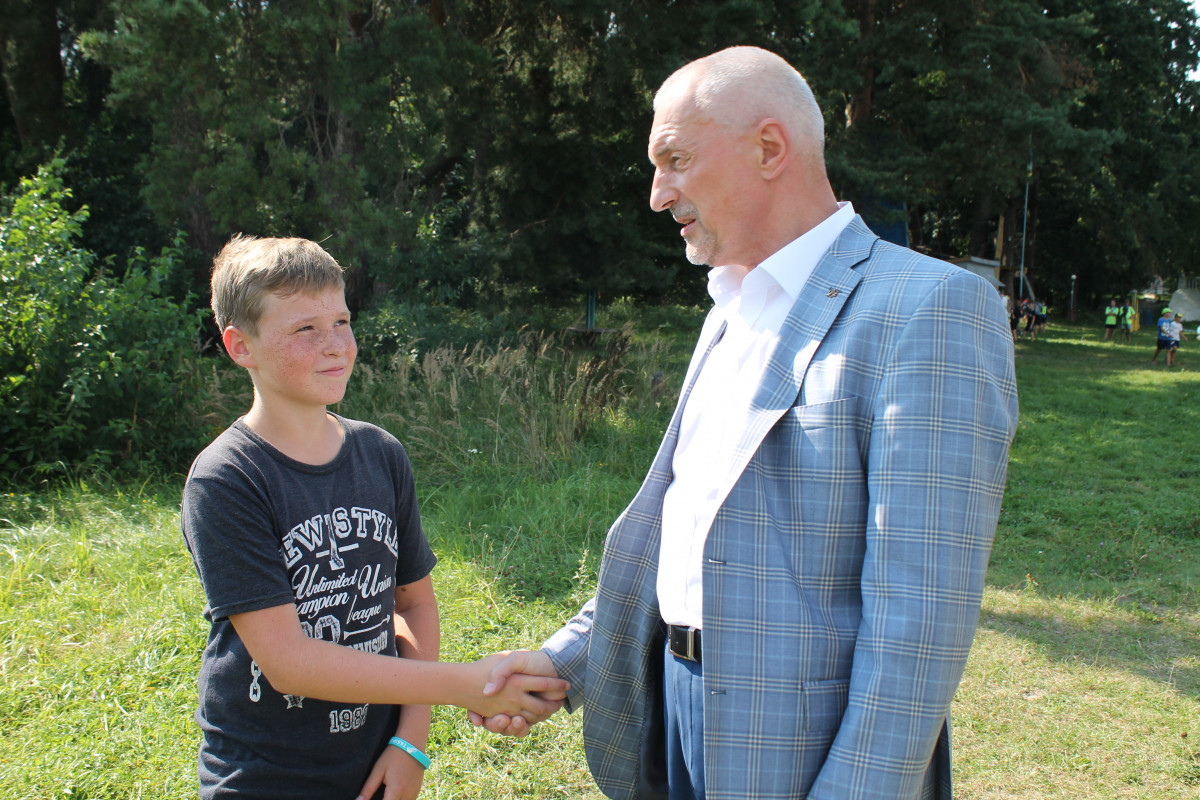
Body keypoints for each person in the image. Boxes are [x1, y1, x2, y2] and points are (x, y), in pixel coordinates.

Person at [473, 47, 1018, 800]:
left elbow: (919, 626)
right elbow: (685, 532)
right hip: (672, 711)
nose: (657, 195)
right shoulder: (728, 308)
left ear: (769, 149)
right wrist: (564, 661)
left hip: (805, 751)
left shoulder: (929, 308)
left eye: (675, 160)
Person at [180, 236, 567, 800]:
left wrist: (411, 740)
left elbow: (413, 604)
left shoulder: (380, 454)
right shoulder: (227, 478)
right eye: (305, 329)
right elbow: (287, 662)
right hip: (264, 772)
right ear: (241, 346)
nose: (335, 345)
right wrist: (467, 684)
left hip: (375, 759)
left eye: (342, 321)